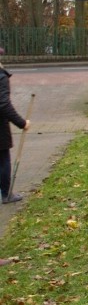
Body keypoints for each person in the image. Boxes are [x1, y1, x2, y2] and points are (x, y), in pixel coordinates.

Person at [0, 61, 30, 204]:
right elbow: (4, 104)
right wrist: (22, 123)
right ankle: (6, 194)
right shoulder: (1, 76)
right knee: (3, 159)